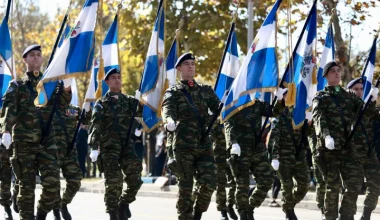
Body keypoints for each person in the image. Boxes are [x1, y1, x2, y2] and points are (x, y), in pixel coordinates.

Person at [1, 44, 72, 220]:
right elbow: (10, 109)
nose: (36, 57)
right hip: (24, 143)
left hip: (47, 140)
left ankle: (41, 213)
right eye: (31, 55)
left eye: (38, 55)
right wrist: (6, 131)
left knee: (53, 184)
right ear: (25, 59)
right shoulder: (17, 85)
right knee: (27, 187)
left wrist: (67, 87)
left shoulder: (49, 85)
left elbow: (63, 104)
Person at [312, 61, 379, 220]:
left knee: (354, 184)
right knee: (333, 186)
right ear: (327, 75)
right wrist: (326, 136)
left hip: (348, 147)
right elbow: (318, 118)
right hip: (329, 149)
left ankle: (346, 216)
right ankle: (330, 217)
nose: (337, 73)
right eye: (333, 71)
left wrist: (373, 98)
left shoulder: (349, 95)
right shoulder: (321, 96)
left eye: (338, 71)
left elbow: (366, 112)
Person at [162, 53, 219, 220]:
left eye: (193, 63)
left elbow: (218, 109)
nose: (191, 66)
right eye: (186, 64)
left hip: (203, 143)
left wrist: (224, 103)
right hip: (182, 145)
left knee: (209, 183)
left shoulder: (205, 91)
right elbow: (167, 109)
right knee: (186, 187)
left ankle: (198, 214)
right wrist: (169, 120)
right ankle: (185, 216)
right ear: (179, 68)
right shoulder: (174, 92)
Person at [88, 68, 143, 220]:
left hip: (126, 147)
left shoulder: (130, 101)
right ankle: (113, 213)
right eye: (113, 78)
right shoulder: (102, 104)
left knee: (136, 180)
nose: (117, 80)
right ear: (107, 82)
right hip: (109, 148)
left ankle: (123, 204)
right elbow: (95, 126)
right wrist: (93, 146)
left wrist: (142, 100)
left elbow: (147, 115)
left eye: (119, 77)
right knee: (114, 182)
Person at [224, 87, 286, 220]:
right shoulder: (234, 104)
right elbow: (228, 124)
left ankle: (250, 207)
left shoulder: (256, 104)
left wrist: (280, 100)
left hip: (257, 149)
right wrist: (233, 143)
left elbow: (274, 112)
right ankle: (243, 214)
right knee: (242, 185)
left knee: (267, 179)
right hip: (240, 150)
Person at [268, 100, 311, 219]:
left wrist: (310, 122)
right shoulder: (280, 117)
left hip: (299, 156)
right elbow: (274, 138)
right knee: (287, 185)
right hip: (284, 157)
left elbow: (309, 134)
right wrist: (274, 157)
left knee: (304, 184)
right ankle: (289, 212)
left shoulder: (302, 117)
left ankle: (288, 205)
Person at [346, 78, 380, 220]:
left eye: (361, 89)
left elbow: (375, 115)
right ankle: (348, 215)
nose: (359, 92)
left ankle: (366, 214)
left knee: (375, 184)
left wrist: (373, 98)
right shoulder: (345, 109)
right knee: (352, 188)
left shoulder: (368, 108)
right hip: (352, 153)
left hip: (368, 152)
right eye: (356, 89)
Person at [52, 104, 89, 220]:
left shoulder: (72, 110)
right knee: (53, 184)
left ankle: (63, 204)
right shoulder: (46, 108)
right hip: (51, 152)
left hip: (69, 152)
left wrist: (88, 108)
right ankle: (56, 211)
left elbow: (86, 119)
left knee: (75, 181)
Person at [211, 119, 238, 220]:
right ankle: (222, 211)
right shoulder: (216, 122)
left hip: (232, 156)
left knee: (235, 182)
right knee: (220, 184)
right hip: (219, 156)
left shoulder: (233, 120)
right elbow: (210, 136)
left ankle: (230, 206)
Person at [307, 122, 327, 219]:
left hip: (331, 152)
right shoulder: (311, 126)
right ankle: (323, 209)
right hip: (318, 155)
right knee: (321, 182)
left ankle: (331, 209)